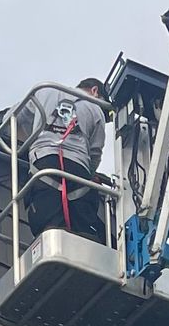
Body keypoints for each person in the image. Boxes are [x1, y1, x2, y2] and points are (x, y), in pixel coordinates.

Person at [17, 78, 110, 247]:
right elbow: (95, 152)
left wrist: (33, 134)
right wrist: (89, 175)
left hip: (44, 159)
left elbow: (12, 120)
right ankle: (81, 241)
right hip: (78, 164)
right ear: (95, 91)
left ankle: (50, 236)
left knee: (46, 207)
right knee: (79, 212)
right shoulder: (95, 108)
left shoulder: (44, 91)